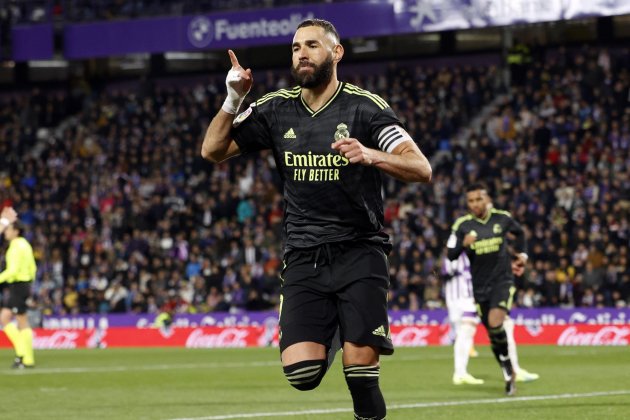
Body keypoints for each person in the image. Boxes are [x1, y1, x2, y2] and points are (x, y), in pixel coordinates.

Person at [201, 18, 431, 419]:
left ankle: (354, 339)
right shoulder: (275, 108)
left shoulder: (365, 107)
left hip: (360, 250)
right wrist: (232, 99)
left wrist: (371, 154)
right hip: (304, 254)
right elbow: (212, 151)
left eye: (311, 45)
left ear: (336, 52)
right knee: (302, 373)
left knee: (360, 371)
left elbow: (421, 167)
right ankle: (344, 326)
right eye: (295, 48)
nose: (302, 54)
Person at [446, 183, 527, 395]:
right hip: (479, 288)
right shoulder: (462, 225)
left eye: (478, 199)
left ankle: (510, 371)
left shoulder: (502, 218)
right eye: (471, 201)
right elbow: (450, 254)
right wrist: (464, 244)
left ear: (487, 199)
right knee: (493, 333)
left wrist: (522, 256)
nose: (475, 204)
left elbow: (521, 235)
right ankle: (507, 369)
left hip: (503, 281)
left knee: (495, 322)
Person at [442, 252, 539, 386]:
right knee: (469, 328)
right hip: (468, 296)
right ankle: (460, 373)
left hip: (479, 293)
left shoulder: (474, 248)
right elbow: (443, 271)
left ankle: (461, 373)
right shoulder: (460, 250)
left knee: (503, 324)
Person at [0, 211, 37, 369]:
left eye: (8, 229)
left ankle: (22, 353)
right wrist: (29, 284)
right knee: (22, 321)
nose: (6, 232)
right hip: (25, 285)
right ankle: (27, 359)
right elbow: (33, 267)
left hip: (18, 285)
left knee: (5, 318)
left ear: (16, 231)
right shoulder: (26, 244)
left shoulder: (15, 246)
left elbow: (12, 270)